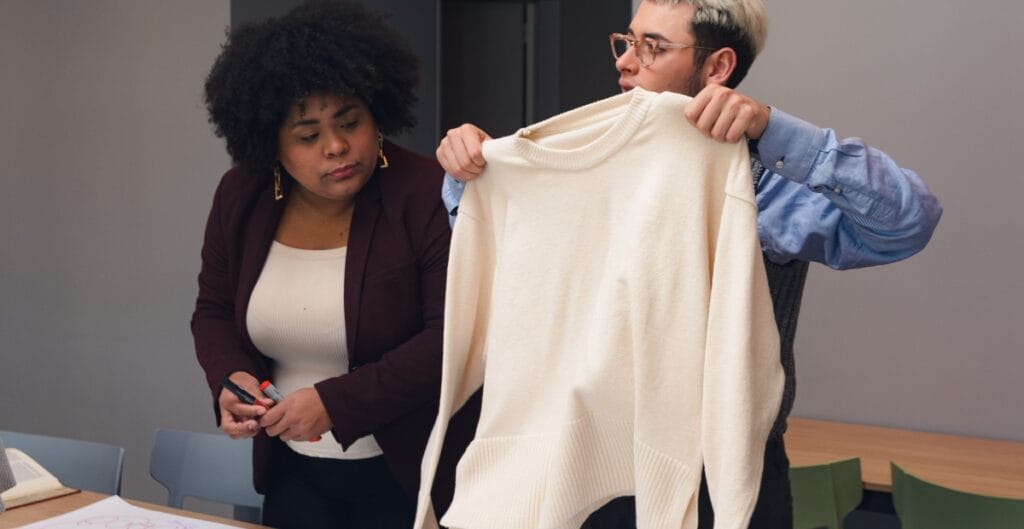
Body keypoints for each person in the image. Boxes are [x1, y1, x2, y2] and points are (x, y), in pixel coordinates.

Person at [434, 1, 943, 528]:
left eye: (651, 47)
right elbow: (512, 273)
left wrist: (774, 131)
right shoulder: (586, 160)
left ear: (717, 67)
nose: (625, 63)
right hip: (583, 460)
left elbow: (907, 222)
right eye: (627, 42)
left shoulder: (762, 183)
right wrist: (472, 179)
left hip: (719, 471)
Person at [191, 2, 475, 527]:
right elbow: (212, 310)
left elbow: (452, 340)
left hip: (411, 478)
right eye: (307, 135)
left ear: (378, 113)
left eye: (350, 122)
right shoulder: (241, 198)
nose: (337, 146)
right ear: (271, 143)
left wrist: (334, 403)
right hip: (291, 474)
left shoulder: (426, 194)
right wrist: (231, 379)